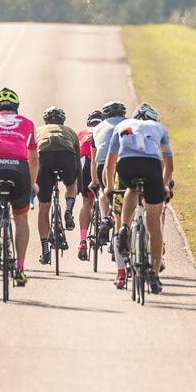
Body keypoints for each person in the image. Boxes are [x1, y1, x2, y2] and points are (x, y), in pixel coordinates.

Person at [103, 102, 173, 294]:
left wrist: (109, 186)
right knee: (155, 224)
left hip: (126, 166)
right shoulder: (160, 128)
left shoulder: (122, 126)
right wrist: (164, 185)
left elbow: (110, 163)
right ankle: (155, 274)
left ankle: (125, 226)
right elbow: (169, 164)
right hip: (151, 166)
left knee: (131, 190)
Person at [0, 86, 38, 287]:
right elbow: (34, 159)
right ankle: (20, 268)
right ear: (16, 107)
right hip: (19, 169)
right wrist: (32, 184)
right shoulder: (28, 123)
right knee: (21, 219)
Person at [34, 107, 82, 265]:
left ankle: (45, 251)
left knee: (44, 207)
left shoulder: (39, 131)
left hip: (44, 158)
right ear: (63, 121)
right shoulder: (69, 131)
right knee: (70, 185)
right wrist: (78, 184)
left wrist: (33, 183)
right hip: (65, 157)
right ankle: (68, 210)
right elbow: (77, 161)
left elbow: (32, 157)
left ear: (46, 121)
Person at [90, 100, 127, 245]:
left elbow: (93, 159)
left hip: (102, 164)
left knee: (102, 190)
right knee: (128, 191)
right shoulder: (130, 123)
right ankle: (124, 224)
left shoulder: (98, 127)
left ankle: (105, 217)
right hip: (123, 161)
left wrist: (94, 181)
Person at [75, 109, 102, 259]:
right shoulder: (106, 129)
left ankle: (83, 240)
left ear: (88, 123)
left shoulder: (81, 132)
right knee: (108, 196)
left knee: (86, 203)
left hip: (85, 162)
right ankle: (106, 219)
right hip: (102, 162)